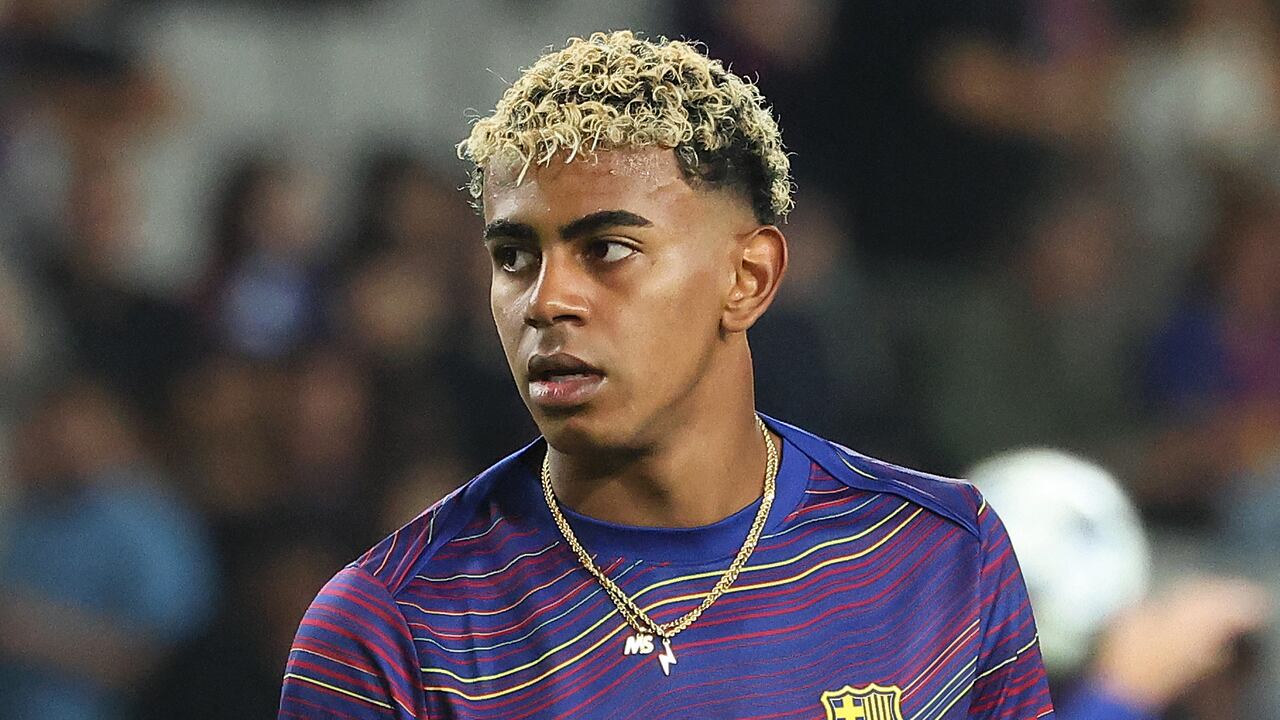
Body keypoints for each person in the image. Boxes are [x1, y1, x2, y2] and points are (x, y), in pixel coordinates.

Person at [280, 30, 1055, 719]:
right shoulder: (391, 628)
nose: (547, 301)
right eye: (514, 257)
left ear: (748, 277)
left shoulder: (942, 557)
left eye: (608, 249)